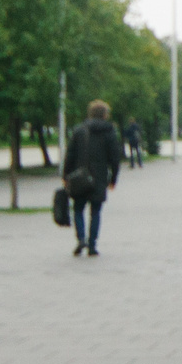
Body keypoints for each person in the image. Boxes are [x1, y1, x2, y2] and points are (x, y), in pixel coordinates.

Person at [63, 101, 123, 257]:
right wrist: (113, 179)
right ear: (104, 115)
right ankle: (92, 246)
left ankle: (81, 238)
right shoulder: (109, 132)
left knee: (78, 209)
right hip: (99, 178)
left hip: (80, 177)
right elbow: (115, 158)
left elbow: (70, 154)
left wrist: (65, 175)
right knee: (95, 212)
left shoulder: (79, 130)